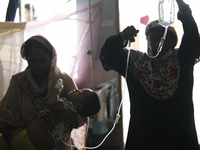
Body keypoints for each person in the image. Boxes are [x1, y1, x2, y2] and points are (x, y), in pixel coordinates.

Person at [100, 0, 200, 149]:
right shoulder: (135, 63)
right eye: (152, 38)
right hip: (143, 140)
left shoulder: (182, 60)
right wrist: (120, 38)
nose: (156, 43)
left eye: (162, 38)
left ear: (173, 42)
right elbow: (108, 57)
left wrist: (181, 5)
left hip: (179, 139)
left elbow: (193, 38)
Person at [0, 35, 87, 150]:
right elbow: (4, 119)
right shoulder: (19, 82)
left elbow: (82, 116)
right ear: (27, 61)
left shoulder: (64, 81)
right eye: (33, 61)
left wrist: (61, 116)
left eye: (43, 60)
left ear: (51, 57)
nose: (39, 66)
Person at [11, 79, 101, 150]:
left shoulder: (66, 105)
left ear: (79, 106)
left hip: (26, 138)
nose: (76, 90)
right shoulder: (77, 118)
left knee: (8, 129)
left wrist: (57, 88)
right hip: (35, 145)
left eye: (80, 92)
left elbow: (51, 103)